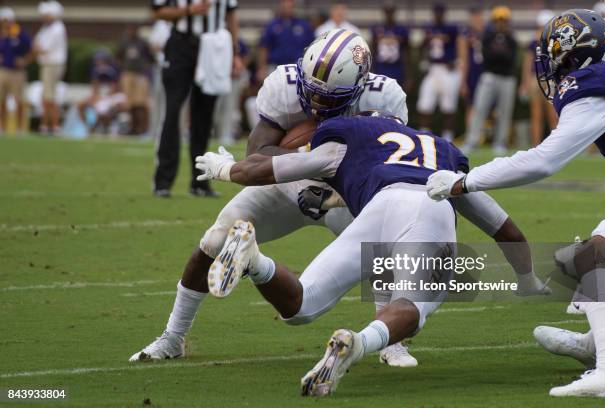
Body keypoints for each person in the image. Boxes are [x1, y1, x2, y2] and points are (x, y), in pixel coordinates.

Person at [128, 30, 547, 370]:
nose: (315, 104)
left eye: (329, 100)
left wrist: (320, 187)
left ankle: (388, 342)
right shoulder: (284, 84)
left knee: (380, 251)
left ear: (362, 88)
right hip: (293, 179)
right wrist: (305, 165)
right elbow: (259, 155)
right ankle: (173, 336)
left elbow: (372, 163)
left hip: (348, 194)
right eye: (312, 93)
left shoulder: (385, 96)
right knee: (217, 237)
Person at [195, 112, 465, 396]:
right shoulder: (444, 149)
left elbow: (272, 167)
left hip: (380, 208)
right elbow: (497, 223)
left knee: (302, 306)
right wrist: (518, 259)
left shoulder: (353, 139)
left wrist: (225, 168)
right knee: (413, 306)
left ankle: (255, 261)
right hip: (428, 211)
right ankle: (359, 343)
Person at [426, 8, 605, 398]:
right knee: (591, 252)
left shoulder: (595, 83)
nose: (553, 65)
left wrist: (465, 181)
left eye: (557, 54)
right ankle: (596, 344)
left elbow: (544, 160)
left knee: (593, 256)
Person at [151, 0, 241, 198]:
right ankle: (163, 181)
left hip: (213, 47)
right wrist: (187, 10)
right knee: (173, 111)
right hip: (181, 45)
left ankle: (199, 181)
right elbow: (157, 12)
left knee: (204, 116)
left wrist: (235, 53)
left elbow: (231, 16)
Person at [462, 6, 518, 154]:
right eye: (498, 20)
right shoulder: (487, 37)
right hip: (490, 76)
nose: (501, 23)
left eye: (503, 20)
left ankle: (500, 142)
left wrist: (499, 54)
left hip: (507, 78)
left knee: (504, 112)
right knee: (480, 108)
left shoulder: (511, 38)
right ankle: (472, 141)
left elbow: (510, 59)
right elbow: (489, 57)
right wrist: (500, 54)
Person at [416, 3, 460, 142]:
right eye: (436, 12)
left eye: (440, 12)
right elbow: (421, 46)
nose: (438, 15)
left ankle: (448, 138)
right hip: (433, 69)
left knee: (448, 106)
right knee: (424, 104)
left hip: (447, 70)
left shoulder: (451, 29)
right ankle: (424, 137)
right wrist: (424, 59)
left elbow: (459, 45)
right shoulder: (428, 28)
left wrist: (455, 60)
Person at [518, 9, 558, 146]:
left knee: (550, 116)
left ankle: (548, 146)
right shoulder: (542, 41)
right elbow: (527, 63)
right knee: (539, 116)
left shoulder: (539, 41)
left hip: (546, 79)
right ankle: (541, 146)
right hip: (540, 79)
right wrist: (525, 83)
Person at [257, 0, 314, 82]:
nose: (287, 8)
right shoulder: (271, 25)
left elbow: (311, 47)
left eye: (290, 6)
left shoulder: (304, 25)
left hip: (298, 67)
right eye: (285, 6)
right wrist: (262, 68)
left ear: (293, 7)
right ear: (281, 6)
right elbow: (264, 47)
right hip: (275, 67)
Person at [33, 1, 67, 134]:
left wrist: (36, 48)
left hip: (53, 64)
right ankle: (47, 125)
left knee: (49, 97)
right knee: (47, 96)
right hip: (48, 64)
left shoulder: (57, 28)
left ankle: (52, 125)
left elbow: (43, 48)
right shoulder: (46, 28)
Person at [116, 25, 155, 136]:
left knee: (140, 103)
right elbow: (118, 56)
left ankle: (143, 128)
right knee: (129, 103)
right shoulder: (124, 43)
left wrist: (145, 68)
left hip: (140, 74)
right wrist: (123, 67)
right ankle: (132, 127)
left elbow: (150, 58)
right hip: (128, 74)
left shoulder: (142, 43)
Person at [77, 49, 127, 135]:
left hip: (112, 97)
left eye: (100, 60)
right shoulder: (95, 71)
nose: (98, 63)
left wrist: (103, 99)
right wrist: (95, 98)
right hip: (101, 96)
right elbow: (95, 88)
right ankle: (89, 128)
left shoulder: (113, 70)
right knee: (80, 104)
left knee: (105, 109)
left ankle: (105, 127)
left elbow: (114, 88)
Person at [0, 7, 31, 134]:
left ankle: (19, 128)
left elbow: (31, 48)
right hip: (3, 70)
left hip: (17, 73)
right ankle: (2, 127)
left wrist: (25, 60)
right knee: (1, 100)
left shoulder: (19, 33)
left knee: (19, 100)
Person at [370, 2, 410, 91]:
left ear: (394, 13)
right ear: (384, 13)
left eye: (391, 12)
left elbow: (407, 53)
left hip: (397, 69)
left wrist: (408, 76)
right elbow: (372, 51)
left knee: (397, 98)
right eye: (387, 12)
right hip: (381, 68)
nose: (389, 15)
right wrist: (371, 71)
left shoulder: (402, 30)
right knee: (378, 99)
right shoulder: (376, 29)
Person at [458, 6, 485, 125]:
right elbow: (463, 58)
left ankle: (485, 135)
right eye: (474, 15)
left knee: (488, 105)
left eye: (478, 15)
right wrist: (463, 81)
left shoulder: (487, 31)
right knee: (472, 104)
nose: (477, 18)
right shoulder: (466, 34)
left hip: (486, 71)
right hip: (472, 72)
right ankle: (471, 135)